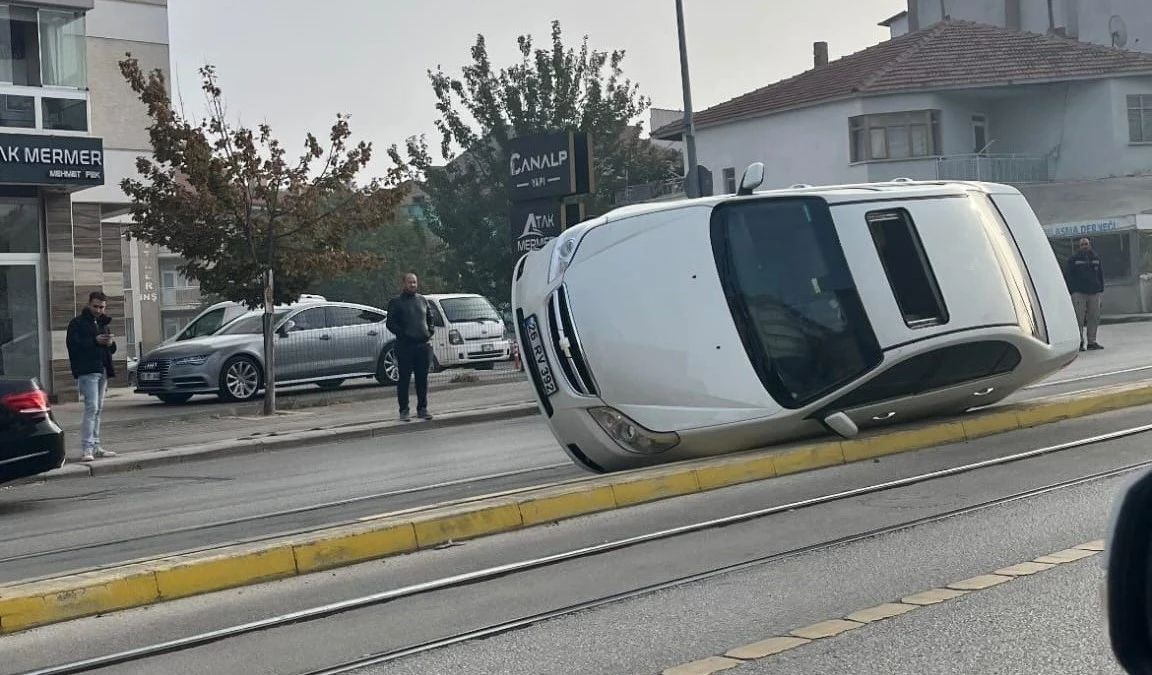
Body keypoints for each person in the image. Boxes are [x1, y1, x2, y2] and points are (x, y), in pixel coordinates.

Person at [66, 291, 119, 461]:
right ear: (89, 304)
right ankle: (87, 448)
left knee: (98, 409)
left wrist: (110, 343)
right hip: (87, 370)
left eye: (101, 307)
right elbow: (73, 345)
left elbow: (111, 348)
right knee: (92, 408)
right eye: (95, 306)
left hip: (102, 369)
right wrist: (95, 341)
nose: (98, 310)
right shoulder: (77, 323)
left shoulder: (104, 323)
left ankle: (95, 446)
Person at [385, 273, 435, 421]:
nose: (412, 285)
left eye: (414, 282)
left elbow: (430, 318)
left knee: (422, 379)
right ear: (403, 284)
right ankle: (404, 410)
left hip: (422, 345)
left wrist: (429, 331)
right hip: (405, 346)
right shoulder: (396, 302)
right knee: (404, 379)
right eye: (409, 282)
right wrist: (403, 334)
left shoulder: (422, 300)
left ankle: (422, 408)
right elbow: (390, 323)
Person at [1064, 237, 1105, 351]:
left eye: (1086, 244)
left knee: (1094, 317)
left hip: (1094, 293)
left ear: (1090, 245)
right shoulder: (1074, 260)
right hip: (1079, 293)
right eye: (1082, 244)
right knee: (1079, 318)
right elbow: (1068, 276)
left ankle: (1092, 341)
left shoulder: (1096, 259)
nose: (1084, 246)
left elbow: (1100, 275)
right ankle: (1080, 342)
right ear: (1079, 246)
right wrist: (1072, 291)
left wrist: (1100, 289)